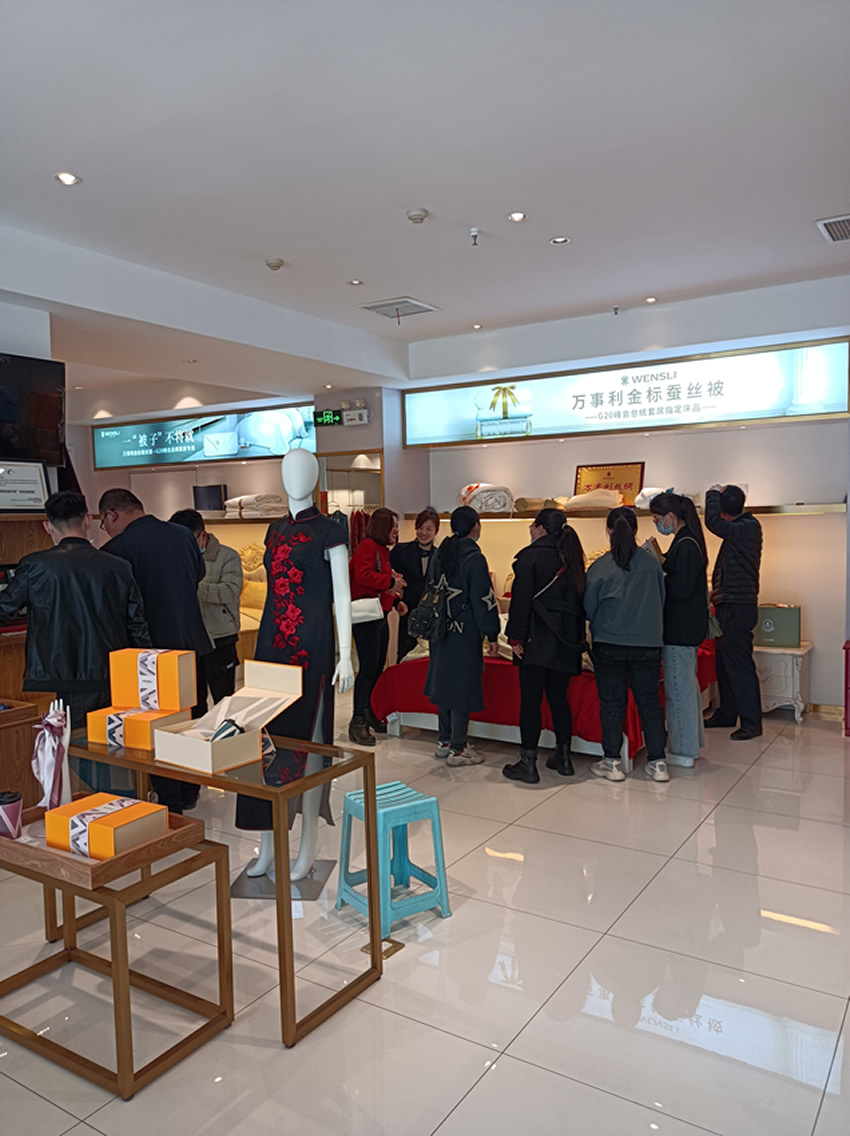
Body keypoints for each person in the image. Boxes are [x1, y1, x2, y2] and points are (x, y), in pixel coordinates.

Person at [0, 491, 151, 789]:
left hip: (64, 674)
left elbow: (4, 608)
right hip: (115, 674)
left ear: (48, 526)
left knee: (79, 750)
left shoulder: (34, 565)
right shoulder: (117, 565)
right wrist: (145, 675)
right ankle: (123, 803)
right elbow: (137, 624)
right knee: (116, 746)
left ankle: (104, 805)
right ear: (87, 520)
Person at [99, 487, 213, 812]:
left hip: (149, 653)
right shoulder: (182, 535)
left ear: (112, 515)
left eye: (104, 523)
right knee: (191, 718)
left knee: (158, 727)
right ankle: (191, 788)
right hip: (191, 644)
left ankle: (170, 800)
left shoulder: (116, 549)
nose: (105, 530)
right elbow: (198, 575)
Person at [584, 506, 669, 782]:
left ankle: (611, 762)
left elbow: (588, 607)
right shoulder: (652, 564)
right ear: (635, 530)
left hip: (609, 643)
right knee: (649, 703)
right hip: (648, 644)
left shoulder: (600, 567)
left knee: (612, 704)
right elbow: (661, 601)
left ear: (609, 530)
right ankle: (658, 763)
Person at [502, 509, 586, 784]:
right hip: (565, 641)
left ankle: (528, 763)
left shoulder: (530, 557)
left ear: (540, 528)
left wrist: (515, 638)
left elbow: (520, 602)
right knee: (559, 699)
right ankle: (564, 758)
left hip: (535, 640)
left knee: (531, 701)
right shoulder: (572, 557)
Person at [424, 505, 501, 766]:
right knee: (461, 686)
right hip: (464, 631)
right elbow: (484, 600)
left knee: (444, 682)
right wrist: (492, 634)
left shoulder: (441, 553)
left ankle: (444, 741)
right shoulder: (475, 558)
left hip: (439, 629)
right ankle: (458, 749)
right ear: (475, 527)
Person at [648, 492, 709, 767]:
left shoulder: (685, 545)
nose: (657, 524)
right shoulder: (688, 540)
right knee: (687, 688)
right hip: (687, 627)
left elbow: (680, 587)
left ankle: (683, 751)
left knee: (678, 691)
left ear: (671, 516)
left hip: (680, 629)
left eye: (657, 519)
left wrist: (658, 572)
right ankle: (690, 743)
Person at [703, 483, 763, 739]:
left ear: (724, 511)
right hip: (730, 603)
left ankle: (751, 723)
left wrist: (712, 494)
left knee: (739, 665)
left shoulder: (747, 527)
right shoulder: (741, 528)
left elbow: (713, 522)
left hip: (738, 606)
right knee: (724, 663)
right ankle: (727, 714)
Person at [169, 509, 243, 711]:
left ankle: (226, 730)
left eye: (188, 539)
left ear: (202, 535)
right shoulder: (177, 558)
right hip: (189, 638)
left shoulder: (227, 556)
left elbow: (231, 590)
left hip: (220, 636)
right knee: (193, 700)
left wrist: (192, 588)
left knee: (224, 698)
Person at [348, 507, 406, 745]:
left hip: (379, 614)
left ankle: (369, 712)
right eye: (394, 526)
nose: (396, 531)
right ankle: (358, 720)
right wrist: (391, 582)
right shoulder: (368, 547)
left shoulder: (381, 550)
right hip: (366, 618)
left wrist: (396, 601)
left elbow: (379, 583)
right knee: (368, 669)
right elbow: (363, 576)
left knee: (377, 667)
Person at [391, 507, 440, 662]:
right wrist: (396, 602)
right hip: (408, 611)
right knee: (405, 657)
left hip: (433, 615)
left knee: (431, 659)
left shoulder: (441, 556)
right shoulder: (400, 551)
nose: (423, 532)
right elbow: (389, 580)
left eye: (429, 529)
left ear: (436, 531)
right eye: (420, 528)